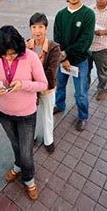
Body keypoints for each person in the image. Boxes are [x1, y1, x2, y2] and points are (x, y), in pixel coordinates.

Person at [0, 26, 47, 200]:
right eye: (3, 55)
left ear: (19, 48)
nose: (7, 58)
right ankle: (18, 166)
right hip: (4, 112)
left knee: (27, 153)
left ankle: (29, 179)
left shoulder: (31, 57)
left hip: (26, 114)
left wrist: (23, 84)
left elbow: (43, 83)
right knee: (15, 145)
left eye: (11, 54)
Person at [53, 0, 95, 131]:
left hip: (80, 61)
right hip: (62, 60)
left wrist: (65, 55)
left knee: (81, 93)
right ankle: (60, 105)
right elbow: (57, 38)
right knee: (60, 86)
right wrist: (62, 57)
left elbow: (85, 41)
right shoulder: (60, 15)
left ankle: (83, 116)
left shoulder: (88, 14)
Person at [25, 13, 61, 153]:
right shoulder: (27, 46)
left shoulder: (54, 48)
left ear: (46, 28)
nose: (37, 31)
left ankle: (48, 140)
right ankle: (31, 138)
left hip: (47, 89)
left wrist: (33, 81)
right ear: (30, 28)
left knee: (47, 115)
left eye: (40, 27)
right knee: (30, 115)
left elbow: (51, 73)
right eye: (34, 27)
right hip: (31, 90)